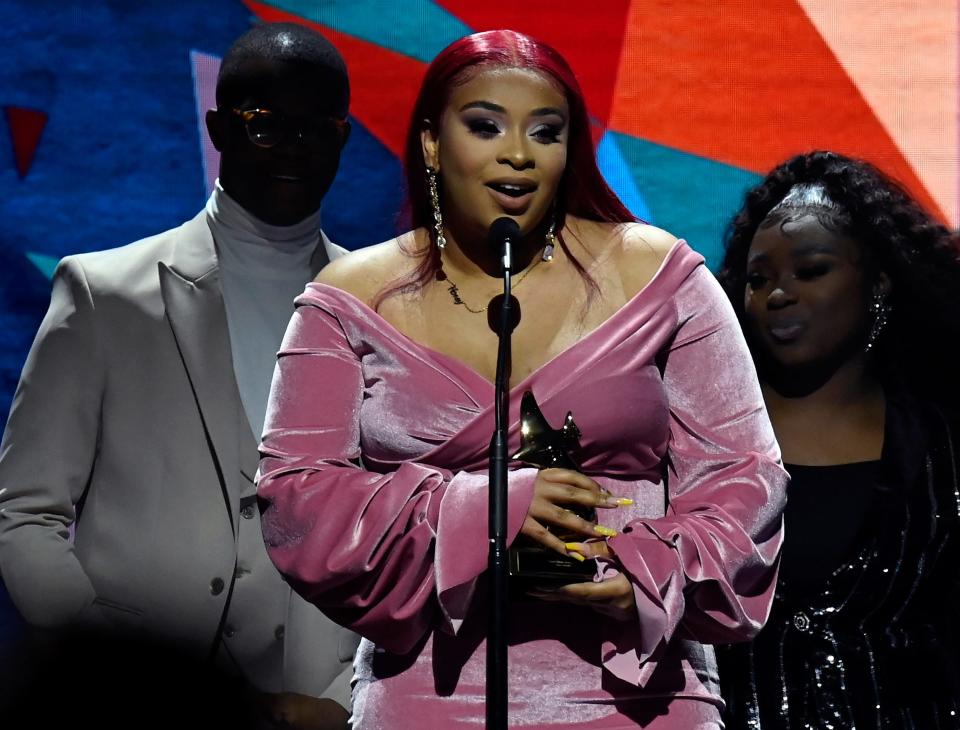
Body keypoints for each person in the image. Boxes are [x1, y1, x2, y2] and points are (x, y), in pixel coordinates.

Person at [255, 29, 787, 729]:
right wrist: (486, 512)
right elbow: (297, 499)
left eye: (546, 132)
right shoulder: (350, 297)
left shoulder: (660, 276)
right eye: (485, 126)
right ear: (432, 144)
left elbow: (747, 477)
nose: (517, 154)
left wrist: (651, 573)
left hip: (641, 693)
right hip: (431, 695)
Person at [0, 22, 358, 729]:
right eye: (264, 125)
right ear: (218, 127)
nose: (292, 147)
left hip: (325, 703)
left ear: (344, 138)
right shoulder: (105, 293)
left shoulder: (380, 308)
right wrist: (111, 670)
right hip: (141, 701)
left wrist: (352, 697)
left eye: (317, 128)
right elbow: (22, 510)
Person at [715, 150, 960, 729]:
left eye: (812, 270)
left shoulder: (942, 450)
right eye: (758, 279)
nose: (778, 294)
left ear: (878, 283)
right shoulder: (704, 441)